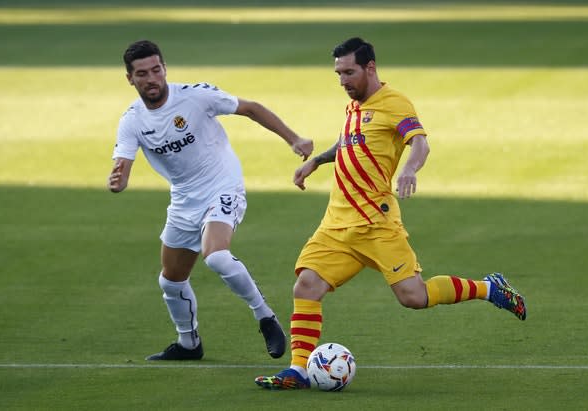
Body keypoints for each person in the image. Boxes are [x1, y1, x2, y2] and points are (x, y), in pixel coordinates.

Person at [254, 37, 526, 389]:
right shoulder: (355, 105)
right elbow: (351, 142)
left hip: (376, 223)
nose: (343, 81)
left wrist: (410, 169)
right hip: (337, 222)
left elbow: (419, 141)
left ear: (370, 68)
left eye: (349, 72)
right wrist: (318, 162)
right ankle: (299, 370)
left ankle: (489, 288)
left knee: (414, 297)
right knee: (306, 286)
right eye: (338, 74)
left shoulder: (394, 103)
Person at [107, 40, 313, 361]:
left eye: (156, 70)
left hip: (222, 184)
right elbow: (122, 165)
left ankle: (266, 317)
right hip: (184, 198)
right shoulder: (132, 120)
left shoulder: (194, 96)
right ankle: (189, 343)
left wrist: (294, 139)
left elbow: (251, 108)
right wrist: (118, 181)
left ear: (164, 69)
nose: (151, 79)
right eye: (142, 73)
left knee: (216, 256)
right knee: (171, 281)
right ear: (130, 78)